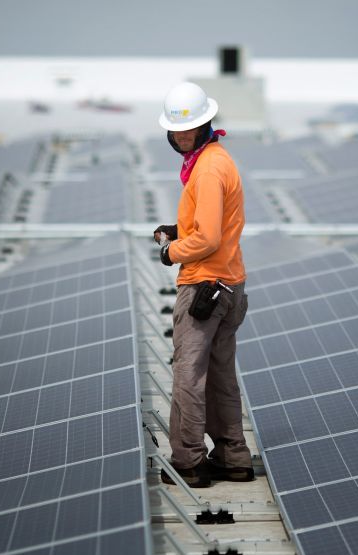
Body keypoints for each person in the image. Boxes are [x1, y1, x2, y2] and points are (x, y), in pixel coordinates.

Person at [154, 82, 253, 488]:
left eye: (188, 129)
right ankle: (233, 457)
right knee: (220, 373)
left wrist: (170, 252)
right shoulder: (215, 159)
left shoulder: (208, 169)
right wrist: (178, 230)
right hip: (229, 283)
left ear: (206, 124)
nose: (181, 137)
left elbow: (208, 239)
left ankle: (189, 461)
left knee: (188, 377)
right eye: (176, 131)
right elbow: (215, 225)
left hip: (204, 288)